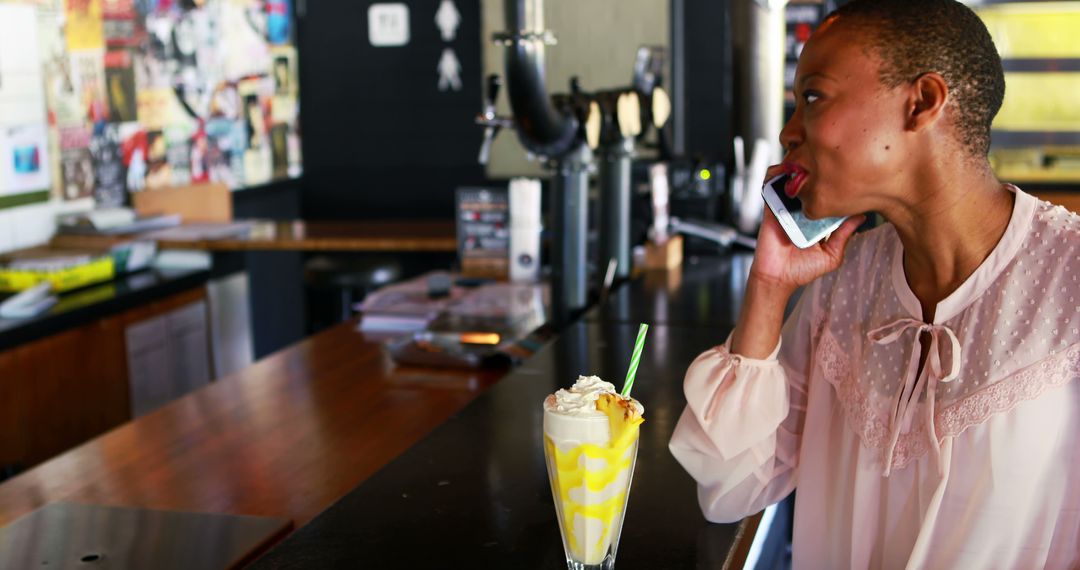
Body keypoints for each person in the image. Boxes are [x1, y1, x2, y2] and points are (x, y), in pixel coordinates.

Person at [668, 1, 1080, 568]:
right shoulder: (847, 284)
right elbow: (730, 484)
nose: (790, 133)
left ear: (922, 103)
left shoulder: (1069, 279)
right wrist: (769, 285)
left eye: (812, 97)